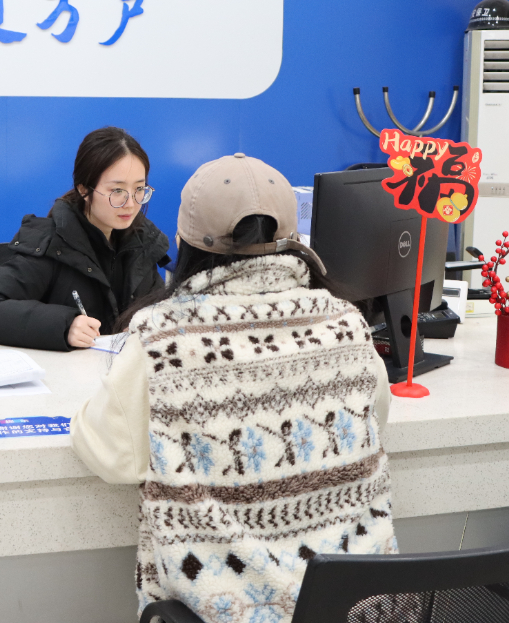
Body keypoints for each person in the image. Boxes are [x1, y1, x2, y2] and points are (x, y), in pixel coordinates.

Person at [70, 153, 394, 623]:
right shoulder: (346, 322)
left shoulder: (163, 336)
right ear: (293, 239)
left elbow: (112, 453)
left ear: (185, 242)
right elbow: (375, 421)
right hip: (358, 610)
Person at [0, 127, 170, 351]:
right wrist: (64, 325)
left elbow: (160, 311)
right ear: (84, 190)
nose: (131, 203)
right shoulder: (51, 244)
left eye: (139, 189)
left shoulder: (142, 243)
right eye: (117, 191)